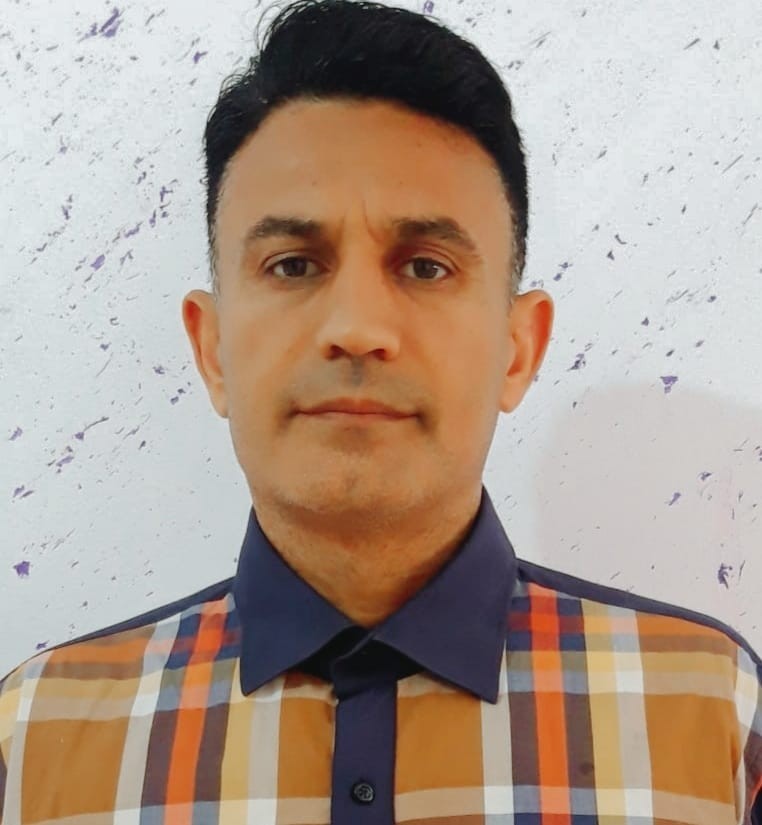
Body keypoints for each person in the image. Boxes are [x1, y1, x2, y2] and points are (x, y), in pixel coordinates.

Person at [1, 0, 760, 821]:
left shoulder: (712, 711)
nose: (357, 327)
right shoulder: (38, 732)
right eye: (293, 265)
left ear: (518, 348)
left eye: (426, 266)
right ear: (212, 348)